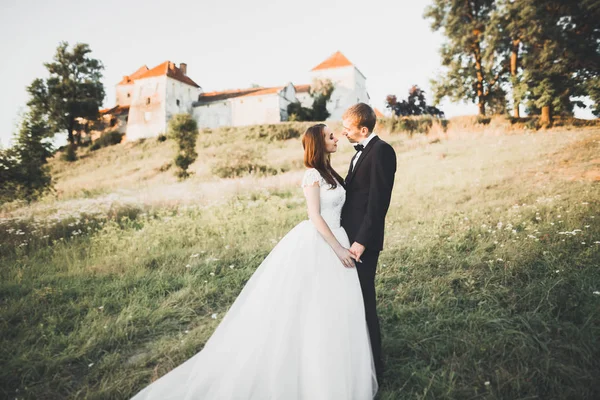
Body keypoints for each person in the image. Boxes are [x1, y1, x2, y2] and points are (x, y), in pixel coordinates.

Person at [129, 123, 378, 400]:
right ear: (318, 145)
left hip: (339, 238)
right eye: (331, 136)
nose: (337, 139)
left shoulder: (330, 172)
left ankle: (335, 364)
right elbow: (315, 217)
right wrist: (338, 249)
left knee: (333, 307)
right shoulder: (312, 176)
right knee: (309, 305)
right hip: (322, 243)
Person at [341, 103, 397, 382]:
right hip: (348, 239)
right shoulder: (358, 154)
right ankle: (355, 358)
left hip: (363, 242)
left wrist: (362, 240)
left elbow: (378, 202)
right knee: (352, 301)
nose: (343, 132)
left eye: (348, 128)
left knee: (365, 302)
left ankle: (375, 367)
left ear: (363, 129)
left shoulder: (382, 151)